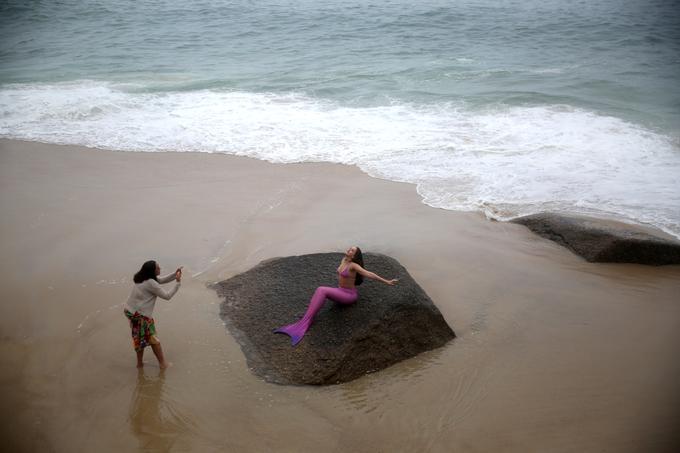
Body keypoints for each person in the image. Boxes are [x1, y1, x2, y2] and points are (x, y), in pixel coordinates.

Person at [274, 246, 398, 346]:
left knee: (321, 290)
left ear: (355, 256)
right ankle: (306, 319)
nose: (349, 250)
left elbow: (369, 274)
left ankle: (305, 322)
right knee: (321, 291)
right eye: (349, 249)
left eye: (352, 251)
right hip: (340, 290)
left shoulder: (354, 266)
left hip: (349, 296)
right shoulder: (344, 260)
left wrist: (386, 281)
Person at [124, 260, 182, 368]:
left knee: (139, 337)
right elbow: (167, 296)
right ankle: (163, 364)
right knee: (154, 340)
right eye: (158, 268)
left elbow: (160, 280)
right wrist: (177, 283)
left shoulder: (142, 278)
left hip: (129, 311)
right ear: (152, 271)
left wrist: (175, 274)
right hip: (140, 315)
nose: (160, 268)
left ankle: (139, 364)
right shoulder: (151, 283)